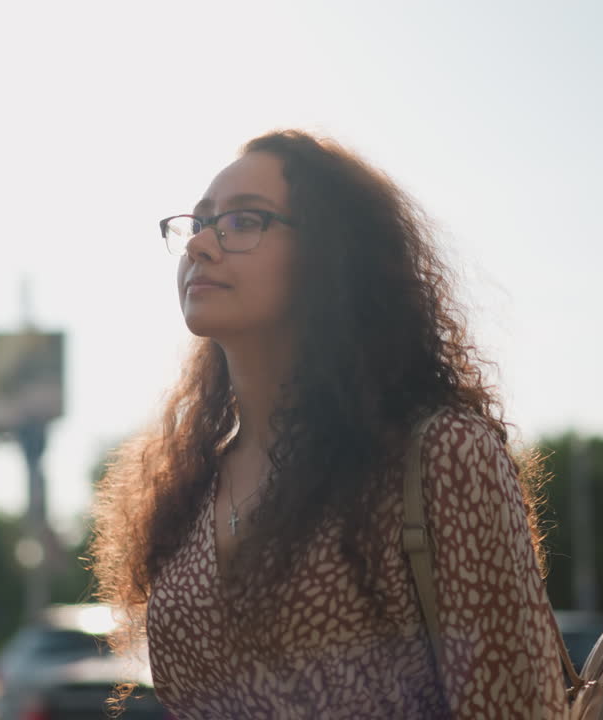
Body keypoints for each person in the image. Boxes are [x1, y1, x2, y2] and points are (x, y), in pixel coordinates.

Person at [89, 130, 568, 719]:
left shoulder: (440, 453)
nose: (201, 247)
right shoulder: (186, 487)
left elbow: (516, 708)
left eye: (243, 222)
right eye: (198, 224)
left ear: (331, 257)